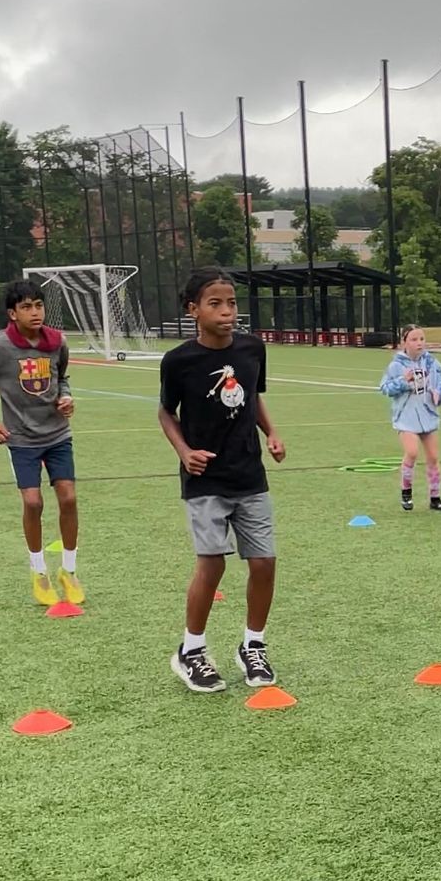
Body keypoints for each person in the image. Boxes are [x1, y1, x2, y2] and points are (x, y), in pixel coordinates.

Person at [159, 267, 286, 694]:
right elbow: (165, 412)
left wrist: (272, 433)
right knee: (211, 562)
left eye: (231, 302)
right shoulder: (179, 361)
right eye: (215, 303)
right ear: (193, 309)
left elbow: (253, 396)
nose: (227, 311)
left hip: (249, 473)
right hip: (204, 478)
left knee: (264, 562)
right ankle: (191, 650)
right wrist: (184, 452)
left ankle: (253, 645)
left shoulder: (252, 349)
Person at [0, 279, 82, 606]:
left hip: (57, 434)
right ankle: (39, 572)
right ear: (12, 313)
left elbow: (63, 377)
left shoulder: (57, 342)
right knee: (33, 503)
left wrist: (66, 397)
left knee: (68, 498)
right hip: (22, 440)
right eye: (27, 307)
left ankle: (69, 572)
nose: (35, 312)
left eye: (39, 305)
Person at [379, 326, 441, 512]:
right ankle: (406, 494)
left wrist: (440, 394)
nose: (419, 343)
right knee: (411, 453)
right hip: (406, 417)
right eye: (414, 339)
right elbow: (385, 388)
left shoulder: (432, 362)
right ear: (404, 342)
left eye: (421, 338)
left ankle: (435, 498)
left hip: (428, 415)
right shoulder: (396, 365)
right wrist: (404, 381)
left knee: (434, 457)